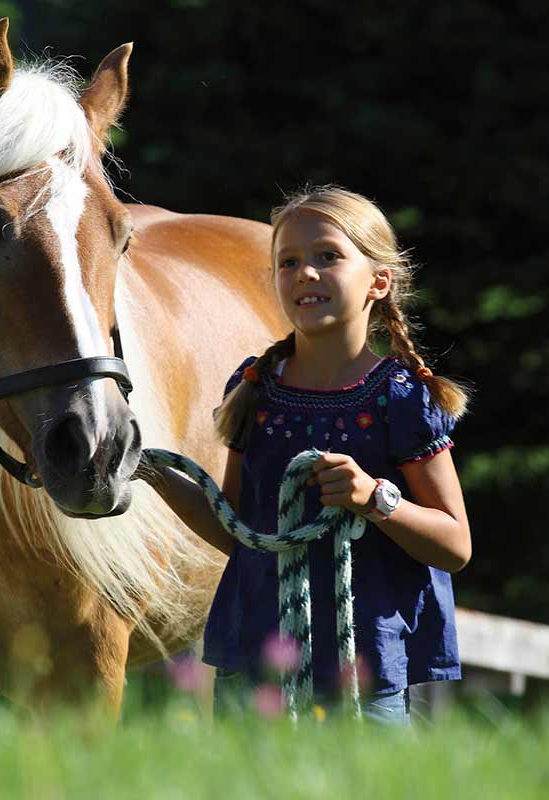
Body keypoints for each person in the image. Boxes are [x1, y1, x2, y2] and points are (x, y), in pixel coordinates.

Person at [142, 186, 471, 725]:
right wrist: (151, 470)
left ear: (378, 281)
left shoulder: (402, 399)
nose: (306, 273)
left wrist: (376, 499)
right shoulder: (254, 389)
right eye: (288, 261)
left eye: (328, 257)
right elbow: (239, 530)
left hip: (363, 670)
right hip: (257, 661)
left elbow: (455, 545)